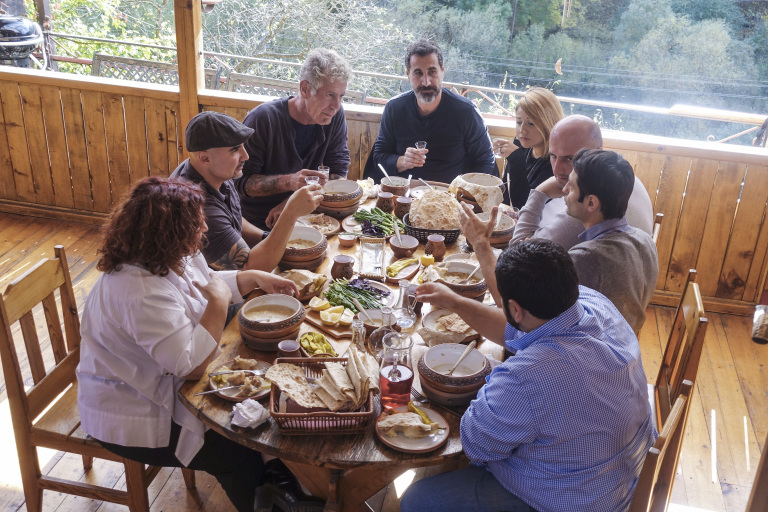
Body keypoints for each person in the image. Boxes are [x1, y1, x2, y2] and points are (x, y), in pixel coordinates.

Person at [75, 177, 319, 512]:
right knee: (235, 448)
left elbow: (201, 284)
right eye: (195, 223)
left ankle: (280, 489)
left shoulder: (166, 253)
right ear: (168, 234)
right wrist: (219, 307)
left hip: (164, 380)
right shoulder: (137, 290)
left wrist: (250, 279)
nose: (204, 226)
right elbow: (191, 367)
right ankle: (269, 498)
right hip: (132, 408)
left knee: (263, 413)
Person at [407, 239, 657, 512]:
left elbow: (476, 445)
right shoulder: (593, 303)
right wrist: (457, 302)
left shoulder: (530, 376)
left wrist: (497, 377)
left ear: (514, 309)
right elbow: (518, 331)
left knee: (417, 499)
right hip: (620, 478)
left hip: (574, 501)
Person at [171, 111, 323, 271]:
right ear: (205, 158)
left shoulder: (210, 170)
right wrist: (290, 213)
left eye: (244, 146)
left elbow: (230, 218)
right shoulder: (198, 208)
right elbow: (249, 269)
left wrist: (267, 238)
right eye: (235, 150)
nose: (246, 156)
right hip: (212, 289)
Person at [235, 48, 352, 230]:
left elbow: (338, 171)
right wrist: (289, 182)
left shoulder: (334, 116)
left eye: (341, 96)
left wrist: (292, 204)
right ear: (304, 89)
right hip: (257, 223)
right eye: (329, 94)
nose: (336, 106)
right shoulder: (262, 119)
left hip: (307, 216)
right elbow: (241, 183)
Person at [510, 114, 654, 250]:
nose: (557, 170)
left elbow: (516, 251)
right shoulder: (623, 177)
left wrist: (541, 191)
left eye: (570, 159)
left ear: (597, 151)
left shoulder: (588, 209)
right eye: (553, 156)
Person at [366, 39, 496, 183]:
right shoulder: (394, 108)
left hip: (451, 197)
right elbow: (378, 157)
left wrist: (465, 193)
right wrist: (403, 161)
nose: (426, 82)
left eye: (432, 72)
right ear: (408, 74)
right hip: (403, 195)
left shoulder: (467, 112)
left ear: (442, 71)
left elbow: (486, 161)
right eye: (418, 73)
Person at [562, 148, 658, 333]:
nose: (565, 189)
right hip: (626, 343)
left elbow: (547, 319)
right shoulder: (645, 239)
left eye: (572, 186)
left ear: (591, 203)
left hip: (593, 355)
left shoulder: (584, 257)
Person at [494, 87, 564, 208]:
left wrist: (516, 161)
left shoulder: (555, 163)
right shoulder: (523, 146)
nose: (522, 130)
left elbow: (525, 207)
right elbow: (506, 193)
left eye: (531, 123)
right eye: (519, 122)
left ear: (548, 123)